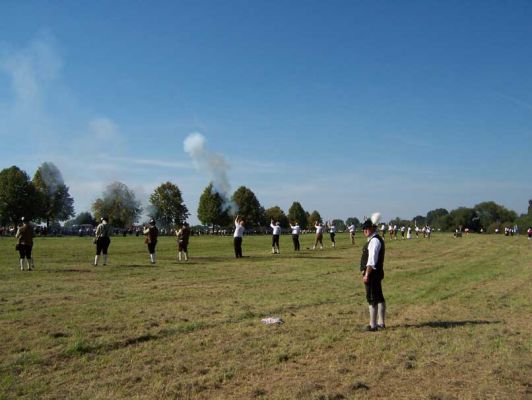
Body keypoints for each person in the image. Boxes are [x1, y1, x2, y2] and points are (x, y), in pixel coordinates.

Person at [360, 214, 386, 332]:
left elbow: (371, 261)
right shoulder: (375, 239)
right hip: (377, 273)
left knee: (372, 299)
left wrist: (366, 274)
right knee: (379, 298)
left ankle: (373, 325)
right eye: (364, 229)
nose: (365, 230)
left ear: (373, 228)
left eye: (367, 228)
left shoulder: (374, 241)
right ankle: (381, 323)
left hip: (372, 274)